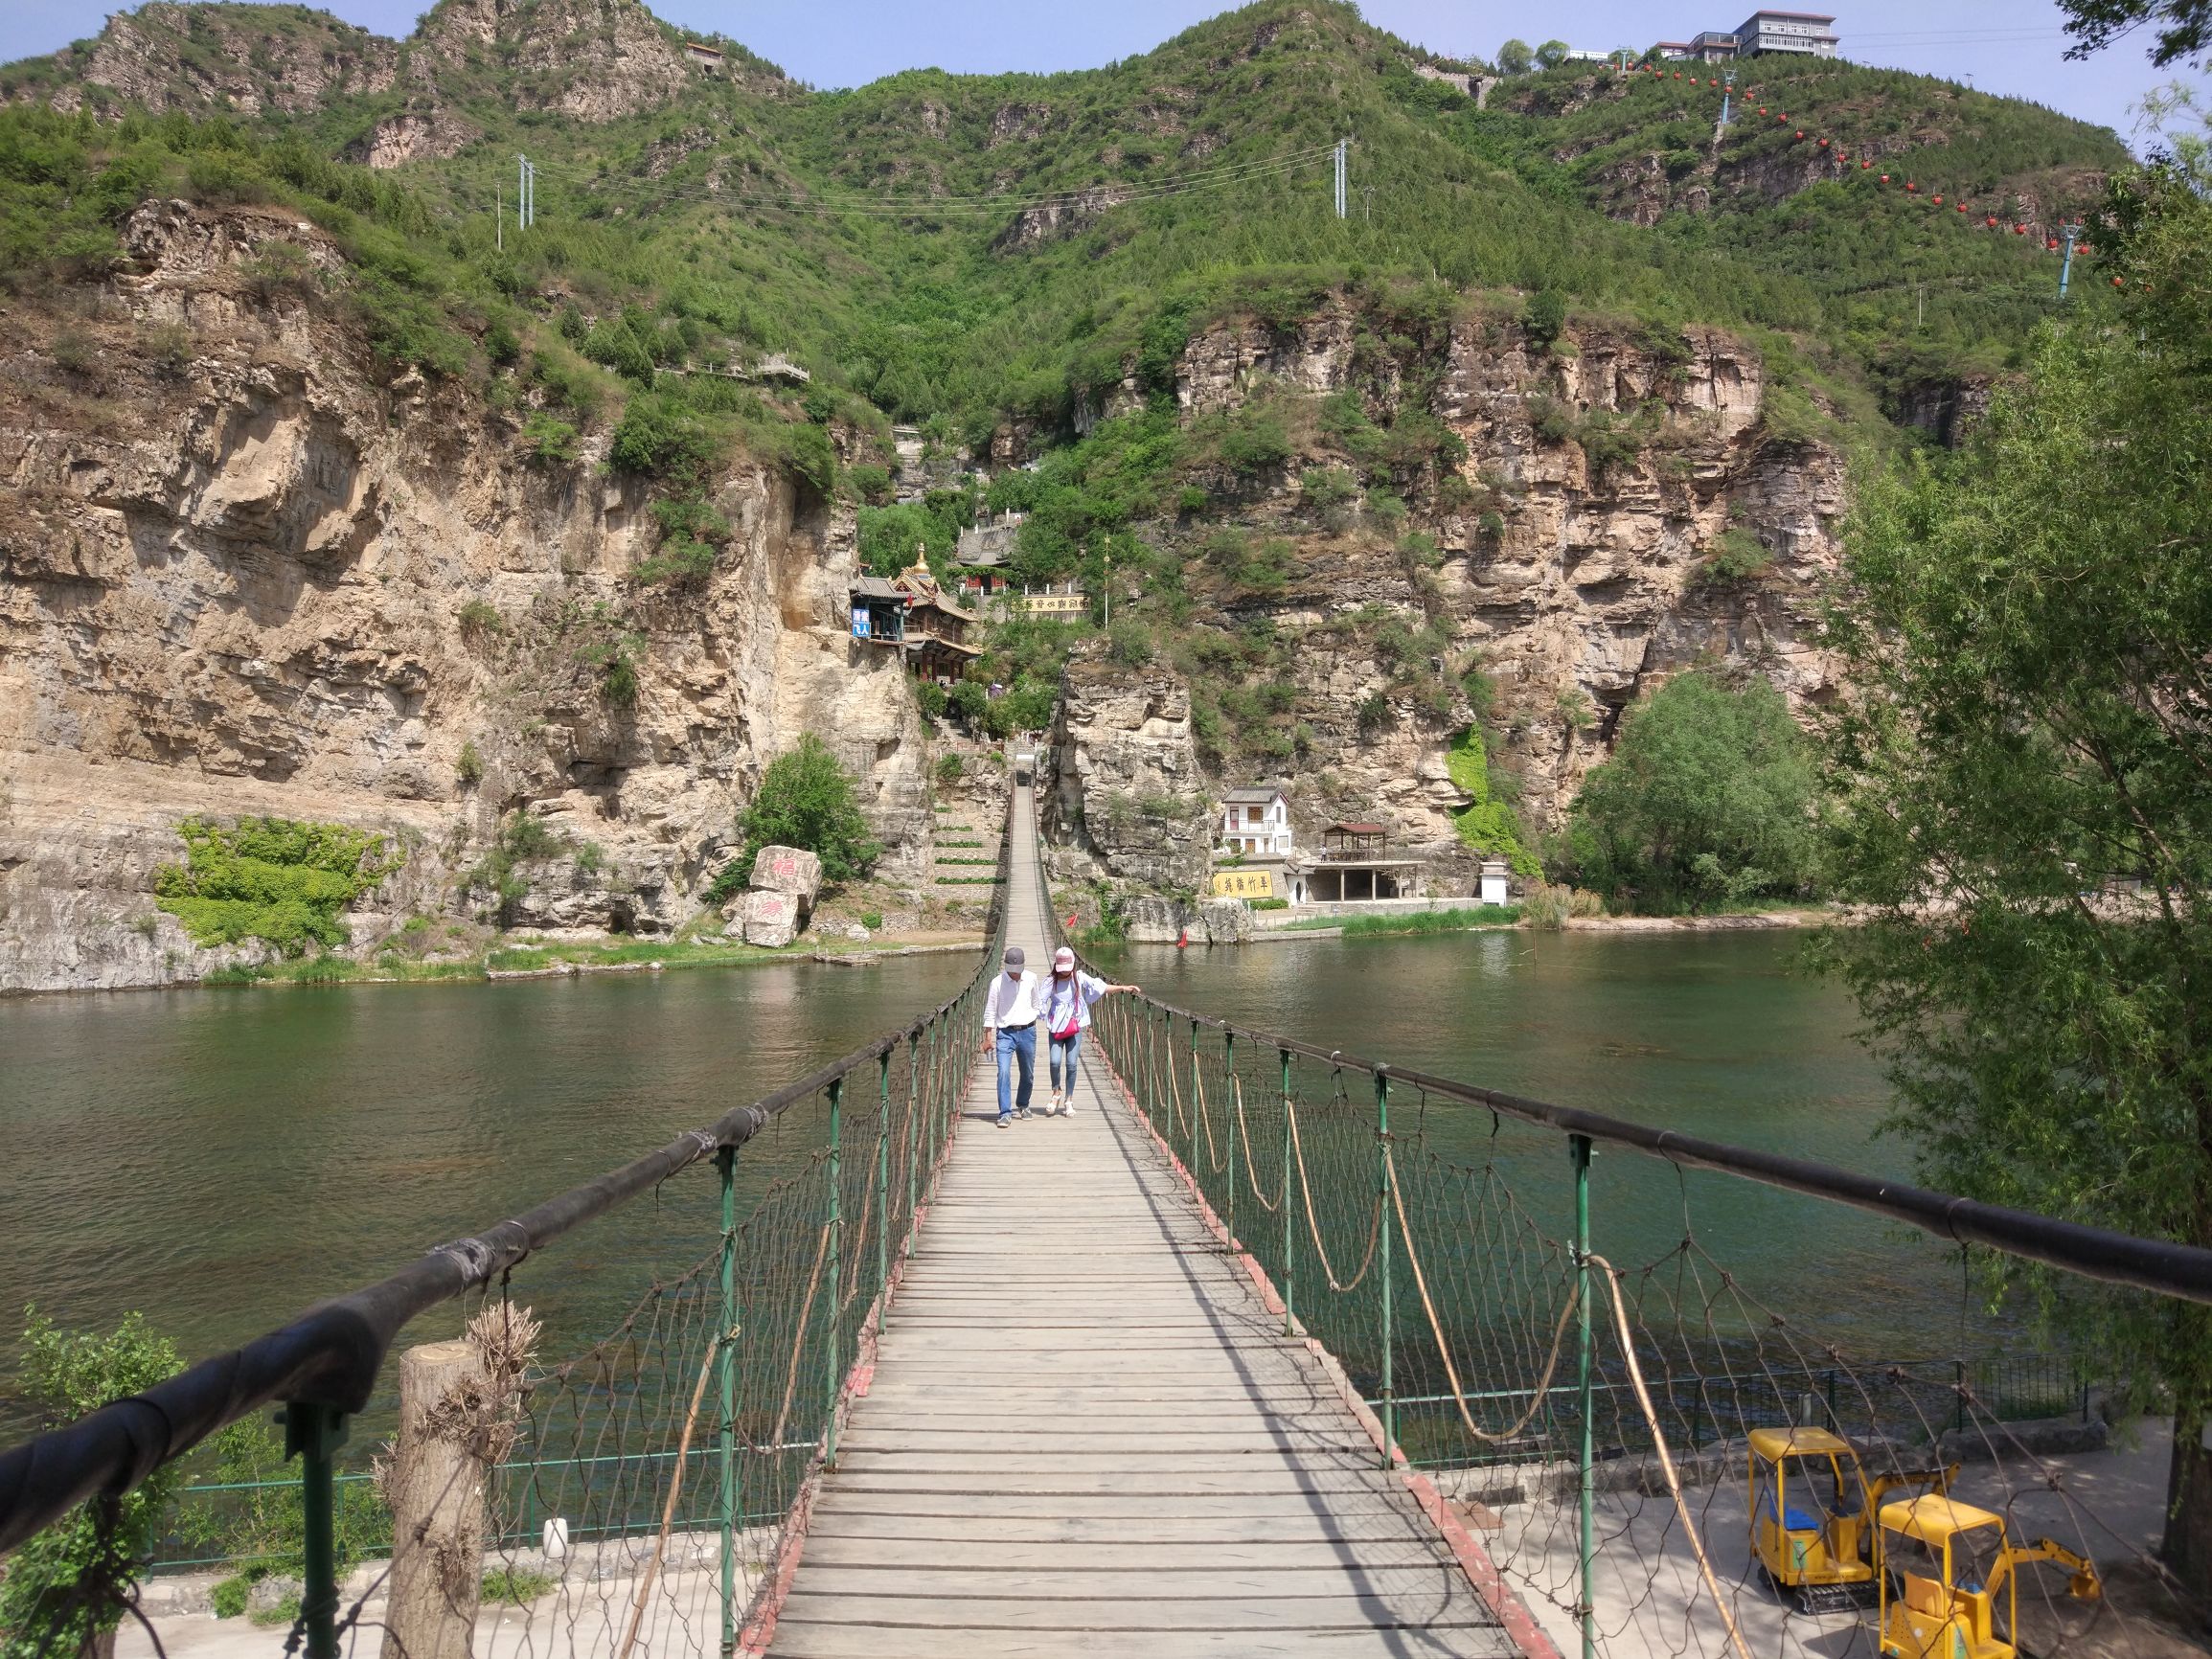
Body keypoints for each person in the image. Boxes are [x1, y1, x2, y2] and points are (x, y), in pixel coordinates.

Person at [1040, 945, 1138, 1117]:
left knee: (1071, 1064)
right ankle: (1056, 1092)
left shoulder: (1079, 977)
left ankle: (1069, 1099)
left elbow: (1100, 986)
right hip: (1056, 1028)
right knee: (1054, 1062)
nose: (1065, 972)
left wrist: (1123, 988)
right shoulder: (1050, 982)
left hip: (1074, 1026)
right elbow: (1039, 1001)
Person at [982, 945, 1040, 1127]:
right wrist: (987, 1038)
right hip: (1005, 1033)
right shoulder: (996, 983)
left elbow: (1037, 1003)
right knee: (1004, 1072)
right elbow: (990, 1011)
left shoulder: (1031, 978)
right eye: (1012, 970)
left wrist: (1031, 1017)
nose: (1015, 973)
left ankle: (1023, 1104)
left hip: (1027, 1031)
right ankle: (1005, 1113)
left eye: (1018, 969)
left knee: (1028, 1073)